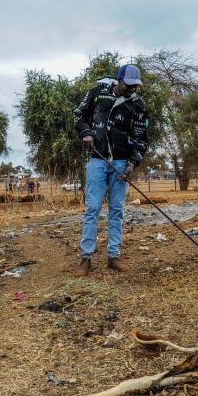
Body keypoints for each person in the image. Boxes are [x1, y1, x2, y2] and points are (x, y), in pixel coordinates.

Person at [72, 64, 151, 276]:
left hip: (121, 163)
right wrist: (86, 133)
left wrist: (132, 163)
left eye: (135, 85)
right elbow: (78, 114)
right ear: (119, 80)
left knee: (117, 210)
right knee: (92, 209)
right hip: (97, 160)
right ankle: (86, 258)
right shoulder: (98, 92)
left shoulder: (138, 106)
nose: (131, 89)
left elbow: (141, 139)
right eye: (128, 84)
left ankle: (113, 256)